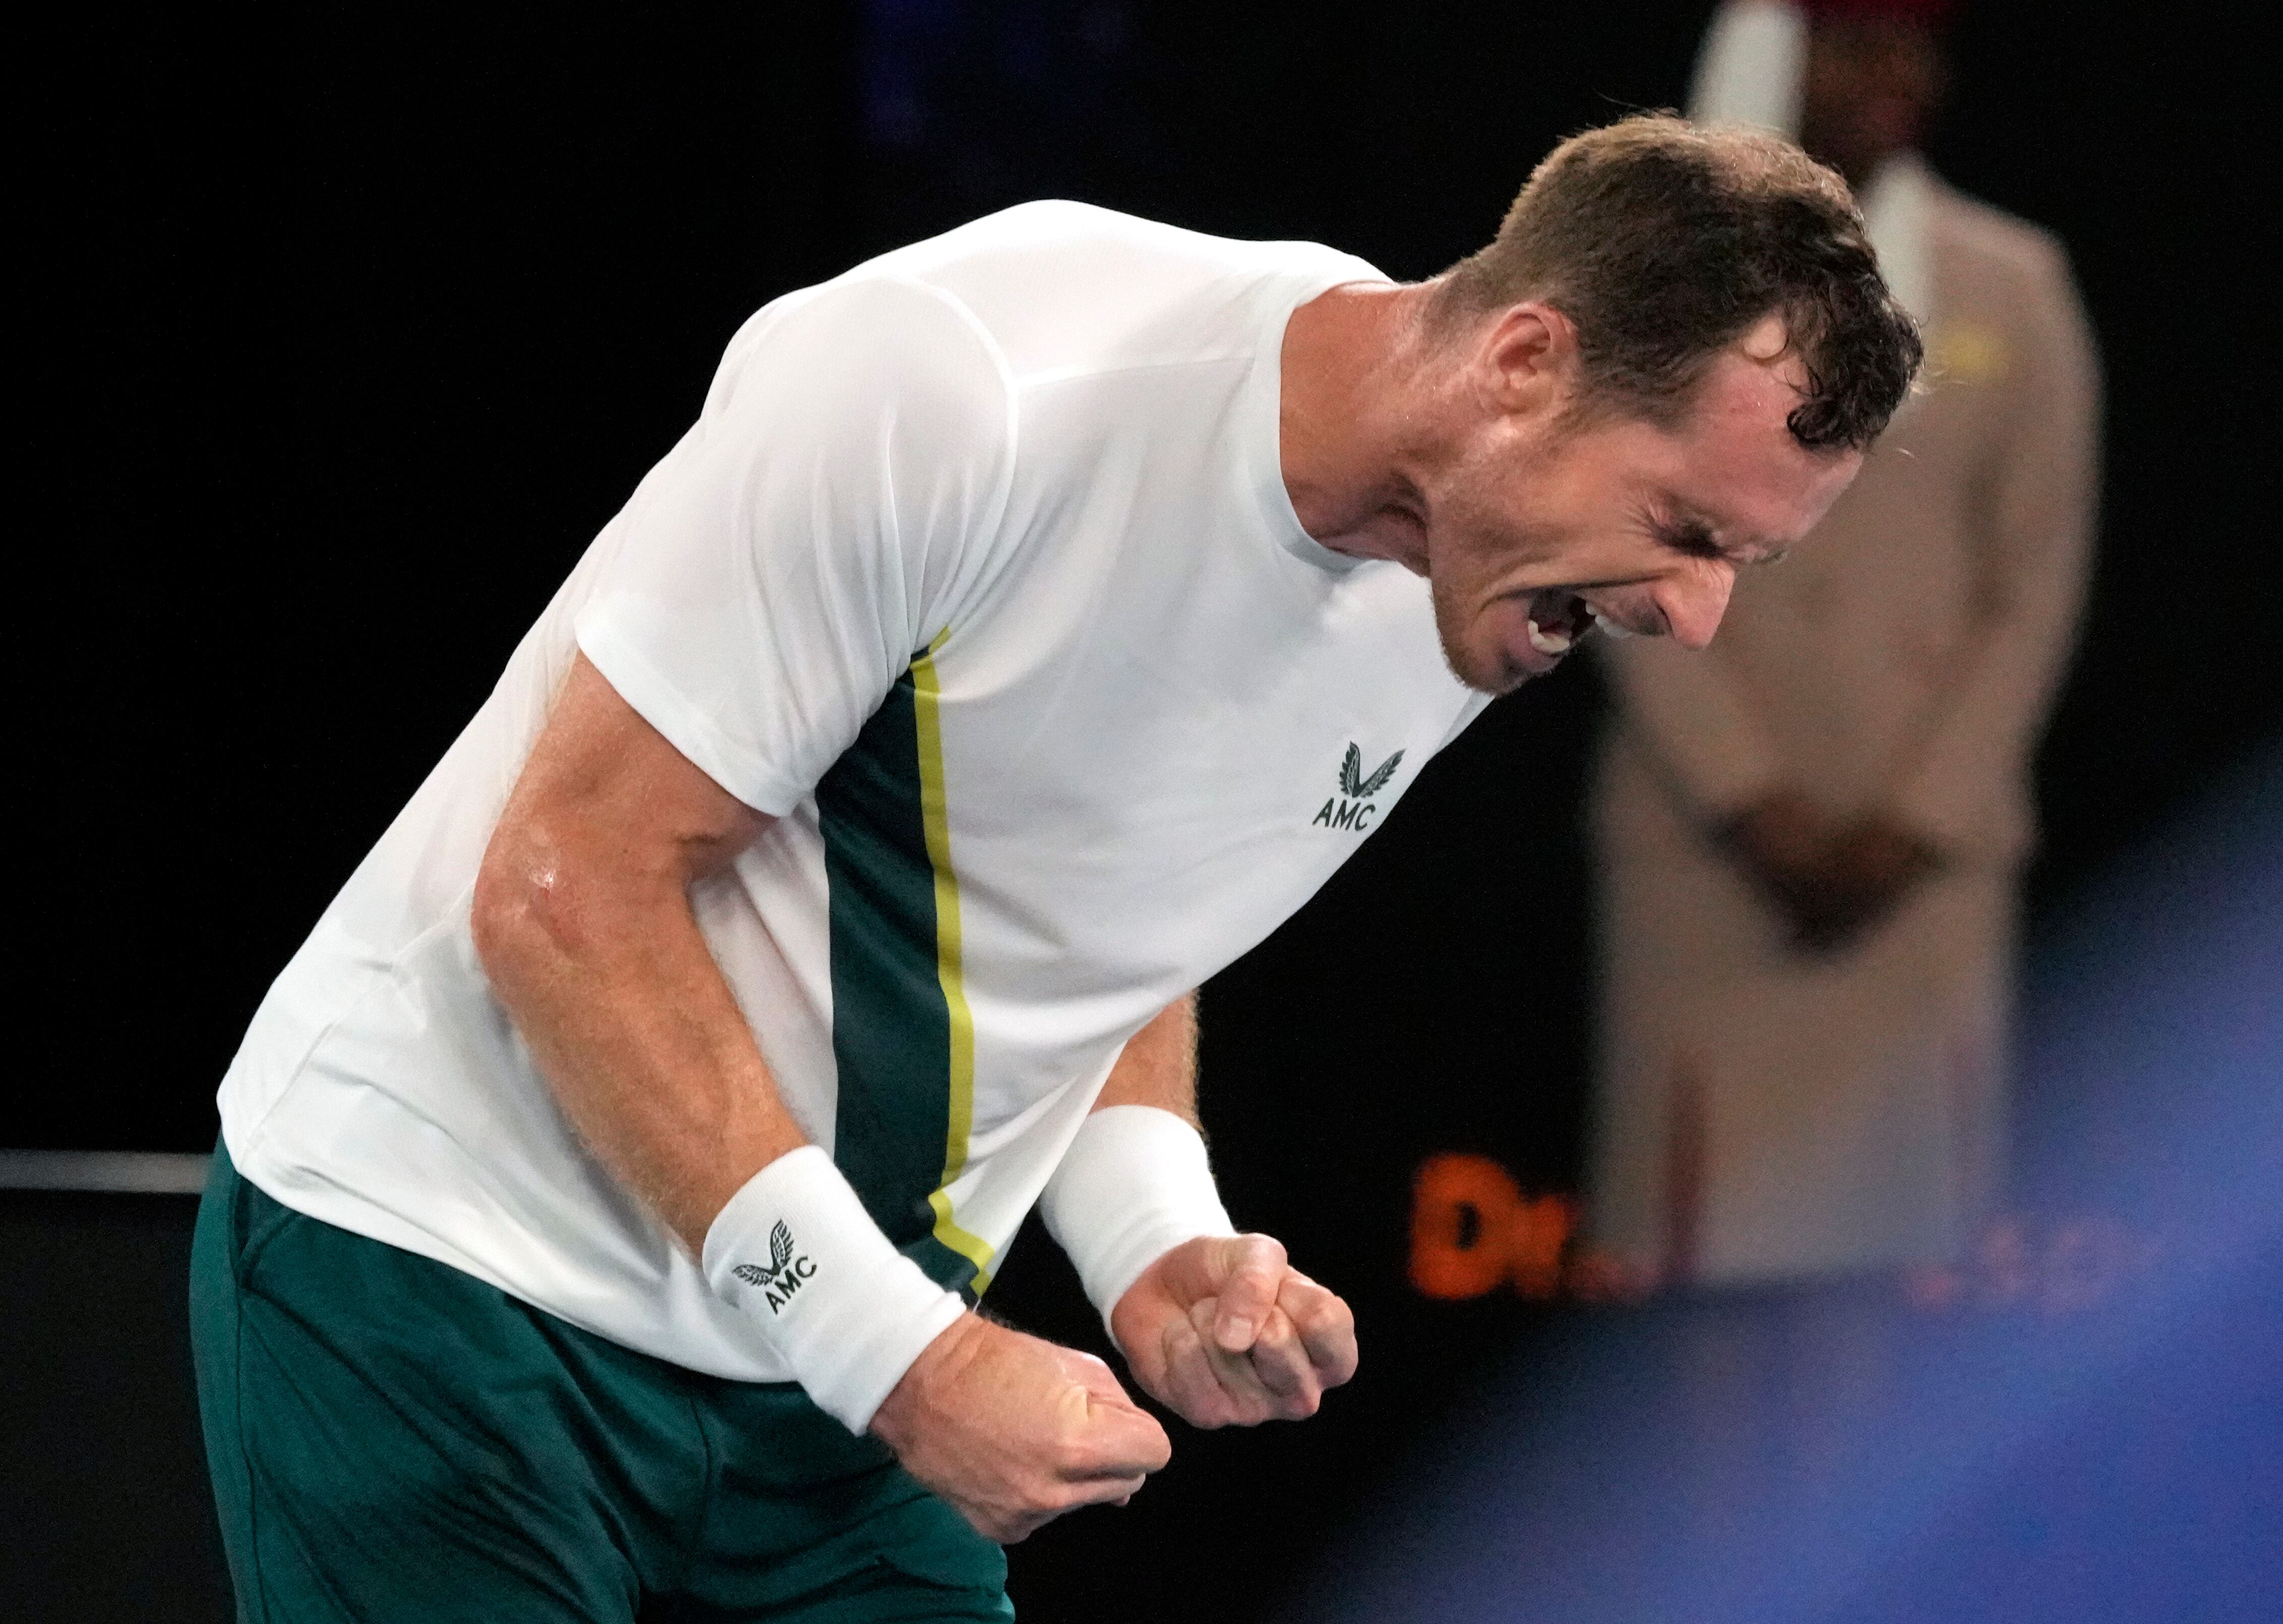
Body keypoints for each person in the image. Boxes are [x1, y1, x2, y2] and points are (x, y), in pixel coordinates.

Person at [193, 111, 1918, 1621]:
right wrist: (907, 1359)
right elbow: (564, 888)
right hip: (445, 1278)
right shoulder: (969, 383)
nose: (1695, 621)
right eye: (1690, 533)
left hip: (817, 1360)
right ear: (1522, 366)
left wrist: (1154, 1237)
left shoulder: (1483, 575)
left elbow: (1112, 911)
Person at [1576, 0, 2101, 1297]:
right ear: (1779, 55)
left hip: (1914, 866)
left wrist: (1916, 814)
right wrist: (1752, 802)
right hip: (1716, 854)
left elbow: (2032, 584)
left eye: (1911, 53)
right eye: (1855, 47)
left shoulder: (2012, 285)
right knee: (1694, 1289)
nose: (1890, 81)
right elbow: (1595, 536)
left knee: (1900, 1302)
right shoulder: (1650, 290)